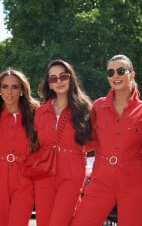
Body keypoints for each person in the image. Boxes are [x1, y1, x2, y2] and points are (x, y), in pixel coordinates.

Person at [71, 54, 142, 226]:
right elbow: (86, 141)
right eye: (111, 72)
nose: (115, 76)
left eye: (121, 71)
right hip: (101, 179)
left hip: (133, 181)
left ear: (132, 75)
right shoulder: (98, 107)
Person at [34, 59, 92, 225]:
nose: (58, 81)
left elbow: (94, 142)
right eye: (53, 79)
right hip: (45, 173)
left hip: (72, 173)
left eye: (62, 76)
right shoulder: (40, 111)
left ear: (70, 78)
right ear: (49, 84)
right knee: (44, 222)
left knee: (59, 221)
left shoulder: (84, 108)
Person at [0, 68, 39, 226]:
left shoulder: (36, 114)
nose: (9, 92)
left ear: (22, 90)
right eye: (4, 86)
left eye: (15, 87)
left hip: (24, 179)